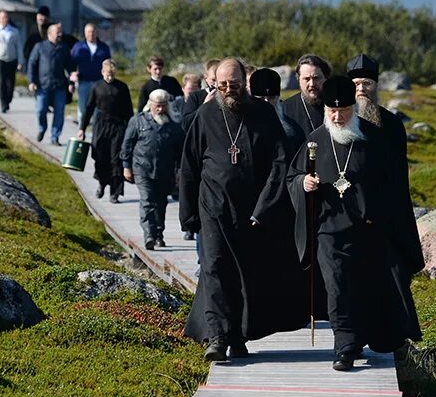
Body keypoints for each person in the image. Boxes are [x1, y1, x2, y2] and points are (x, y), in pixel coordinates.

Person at [287, 75, 424, 371]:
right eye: (332, 111)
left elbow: (392, 186)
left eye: (344, 111)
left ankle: (364, 338)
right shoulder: (314, 141)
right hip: (328, 231)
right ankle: (344, 346)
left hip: (368, 230)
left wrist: (382, 217)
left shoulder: (372, 140)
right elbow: (292, 177)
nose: (337, 117)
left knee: (365, 288)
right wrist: (304, 183)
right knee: (336, 286)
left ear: (353, 108)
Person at [178, 58, 308, 361]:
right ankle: (217, 336)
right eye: (222, 85)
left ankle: (238, 334)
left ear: (244, 83)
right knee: (214, 269)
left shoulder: (262, 114)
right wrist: (189, 214)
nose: (227, 90)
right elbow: (189, 166)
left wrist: (264, 208)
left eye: (233, 84)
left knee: (247, 274)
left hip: (252, 211)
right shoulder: (206, 114)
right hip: (213, 207)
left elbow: (279, 165)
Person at [122, 89, 185, 248]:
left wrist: (179, 173)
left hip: (165, 171)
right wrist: (126, 167)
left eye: (163, 106)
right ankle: (149, 235)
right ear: (151, 105)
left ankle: (159, 234)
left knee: (161, 203)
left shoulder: (174, 127)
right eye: (158, 106)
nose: (160, 109)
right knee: (147, 201)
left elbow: (180, 153)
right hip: (142, 169)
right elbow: (127, 145)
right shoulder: (138, 121)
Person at [78, 59, 133, 202]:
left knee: (116, 159)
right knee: (100, 157)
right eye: (108, 74)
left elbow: (128, 111)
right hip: (101, 126)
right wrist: (82, 128)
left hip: (118, 127)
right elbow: (88, 108)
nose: (110, 77)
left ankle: (115, 192)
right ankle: (102, 183)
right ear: (102, 72)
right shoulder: (96, 87)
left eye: (112, 74)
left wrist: (131, 130)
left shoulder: (122, 87)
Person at [346, 53, 408, 156]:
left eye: (367, 83)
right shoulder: (340, 119)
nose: (361, 89)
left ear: (376, 87)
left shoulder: (393, 123)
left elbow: (399, 165)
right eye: (356, 84)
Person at [27, 23, 74, 144]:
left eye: (60, 32)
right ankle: (42, 128)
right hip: (43, 85)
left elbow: (70, 67)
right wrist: (31, 81)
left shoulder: (64, 48)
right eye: (57, 32)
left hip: (59, 86)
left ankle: (55, 137)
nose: (60, 34)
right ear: (49, 34)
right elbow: (32, 64)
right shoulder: (40, 47)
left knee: (59, 112)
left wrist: (71, 83)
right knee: (40, 110)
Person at [249, 67, 305, 162]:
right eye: (262, 98)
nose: (267, 102)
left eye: (271, 98)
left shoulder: (293, 130)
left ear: (278, 98)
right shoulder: (242, 128)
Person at [281, 53, 331, 137]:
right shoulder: (284, 110)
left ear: (326, 78)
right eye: (306, 79)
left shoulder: (338, 107)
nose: (312, 84)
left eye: (316, 78)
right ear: (298, 79)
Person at [70, 23, 112, 124]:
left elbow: (108, 64)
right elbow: (71, 64)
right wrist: (71, 82)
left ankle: (94, 131)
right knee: (83, 107)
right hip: (84, 81)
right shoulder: (79, 47)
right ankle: (81, 129)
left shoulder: (103, 48)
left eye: (93, 32)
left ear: (96, 33)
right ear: (85, 33)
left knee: (97, 107)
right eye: (88, 32)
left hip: (99, 82)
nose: (91, 34)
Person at [0, 10, 23, 113]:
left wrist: (20, 61)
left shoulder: (14, 31)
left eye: (6, 17)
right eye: (2, 17)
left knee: (11, 82)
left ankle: (8, 99)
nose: (4, 19)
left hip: (11, 59)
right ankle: (3, 103)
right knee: (1, 80)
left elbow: (19, 47)